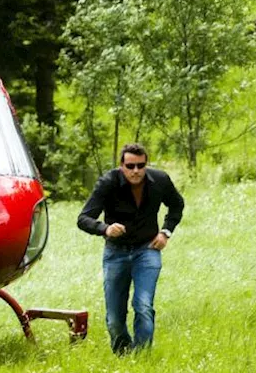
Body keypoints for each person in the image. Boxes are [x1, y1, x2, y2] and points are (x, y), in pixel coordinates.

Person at [77, 143, 184, 354]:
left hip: (147, 250)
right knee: (115, 318)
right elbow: (83, 218)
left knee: (143, 306)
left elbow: (177, 205)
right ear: (121, 166)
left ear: (146, 164)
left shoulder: (159, 180)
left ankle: (142, 355)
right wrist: (105, 229)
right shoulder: (108, 183)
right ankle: (123, 354)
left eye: (140, 165)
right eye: (130, 166)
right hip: (116, 253)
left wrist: (165, 232)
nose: (136, 171)